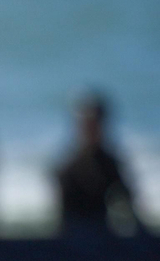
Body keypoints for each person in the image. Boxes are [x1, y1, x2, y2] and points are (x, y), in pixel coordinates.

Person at [55, 92, 137, 235]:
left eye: (96, 123)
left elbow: (128, 205)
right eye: (87, 124)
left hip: (104, 240)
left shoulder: (110, 164)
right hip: (75, 240)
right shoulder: (68, 168)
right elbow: (63, 220)